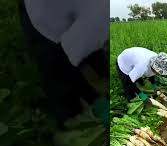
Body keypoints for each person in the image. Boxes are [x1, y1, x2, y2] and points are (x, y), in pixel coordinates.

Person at [19, 0, 109, 128]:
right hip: (45, 15)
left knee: (94, 56)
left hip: (85, 15)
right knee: (54, 66)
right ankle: (71, 120)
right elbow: (63, 61)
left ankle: (100, 84)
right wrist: (95, 99)